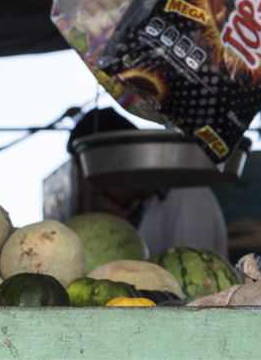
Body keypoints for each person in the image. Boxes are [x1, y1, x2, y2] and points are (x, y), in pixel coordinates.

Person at [67, 107, 228, 256]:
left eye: (97, 175)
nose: (95, 189)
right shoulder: (153, 204)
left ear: (119, 160)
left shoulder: (185, 198)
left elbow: (195, 278)